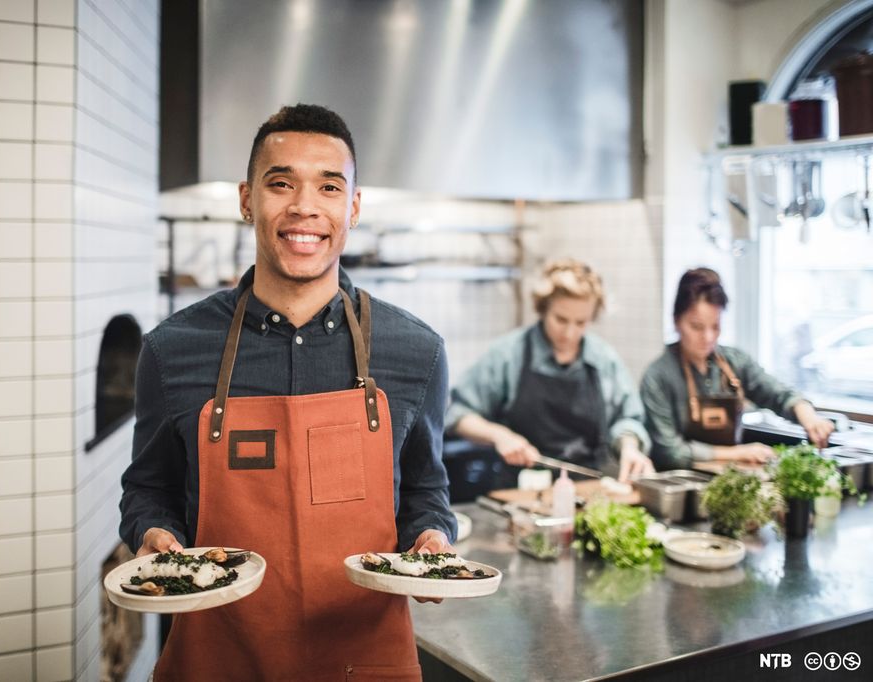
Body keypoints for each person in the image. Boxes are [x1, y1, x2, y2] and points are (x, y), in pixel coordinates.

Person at [119, 104, 455, 680]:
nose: (305, 206)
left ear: (353, 207)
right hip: (217, 663)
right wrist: (153, 533)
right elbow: (148, 488)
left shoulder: (416, 351)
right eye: (281, 184)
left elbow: (426, 488)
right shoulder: (172, 351)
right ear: (247, 199)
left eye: (329, 187)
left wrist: (432, 537)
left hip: (364, 664)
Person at [446, 259, 654, 484]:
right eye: (561, 320)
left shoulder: (603, 359)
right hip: (519, 488)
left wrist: (629, 447)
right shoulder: (508, 354)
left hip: (585, 487)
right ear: (543, 309)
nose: (570, 333)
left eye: (581, 323)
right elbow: (458, 414)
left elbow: (628, 418)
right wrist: (500, 435)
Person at [640, 268, 834, 471]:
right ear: (676, 321)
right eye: (697, 327)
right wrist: (737, 453)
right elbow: (669, 452)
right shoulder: (658, 377)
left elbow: (777, 393)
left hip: (730, 478)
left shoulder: (734, 362)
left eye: (715, 326)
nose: (708, 337)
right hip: (678, 483)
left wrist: (808, 417)